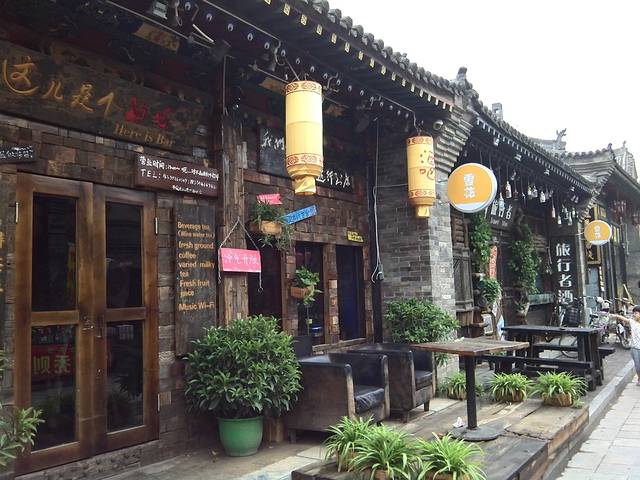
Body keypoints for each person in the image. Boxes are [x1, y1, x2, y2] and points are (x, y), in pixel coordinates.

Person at [609, 305, 640, 385]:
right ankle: (639, 378)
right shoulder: (632, 322)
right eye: (633, 313)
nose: (634, 315)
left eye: (636, 313)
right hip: (634, 348)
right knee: (637, 366)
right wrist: (615, 315)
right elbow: (624, 319)